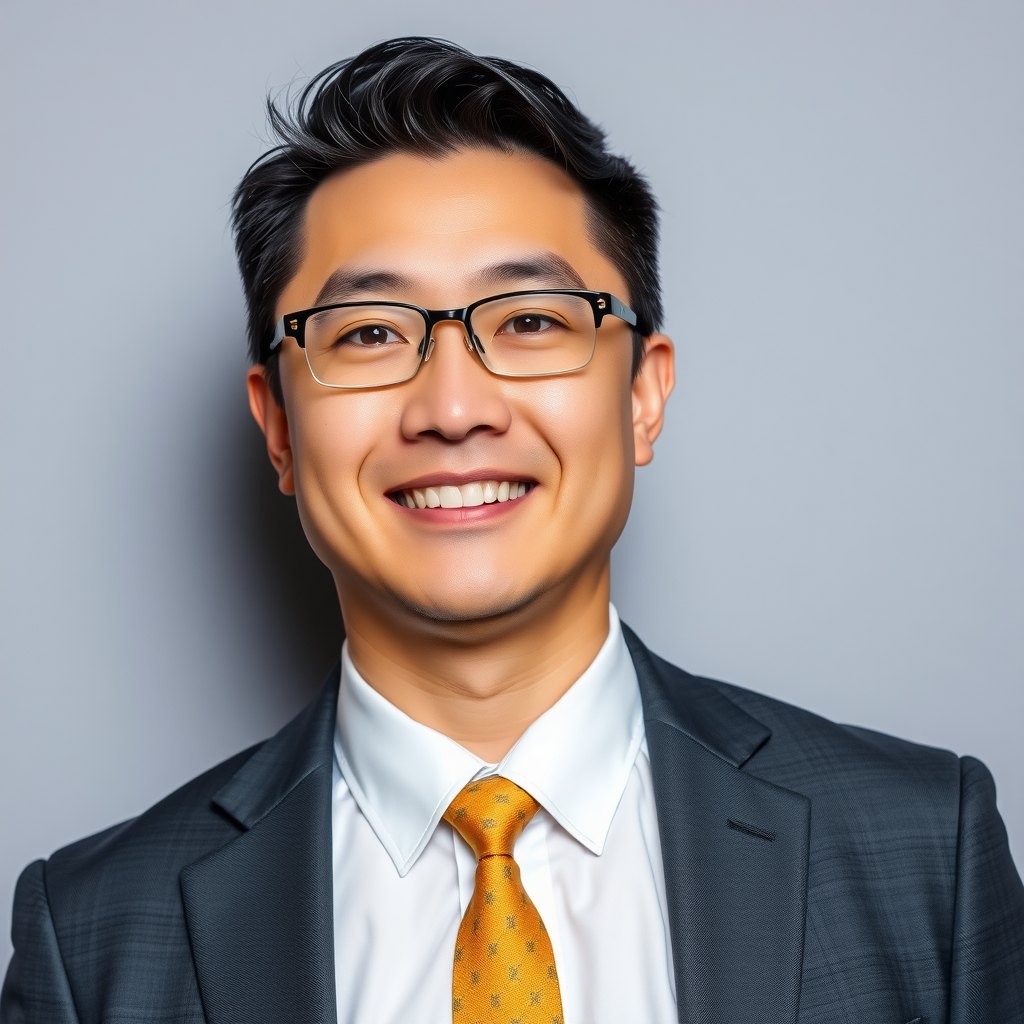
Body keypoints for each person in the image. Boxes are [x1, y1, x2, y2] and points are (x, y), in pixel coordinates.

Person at [3, 35, 1022, 1024]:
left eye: (530, 320)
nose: (454, 406)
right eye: (367, 333)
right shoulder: (92, 936)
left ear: (642, 397)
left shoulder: (924, 845)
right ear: (277, 425)